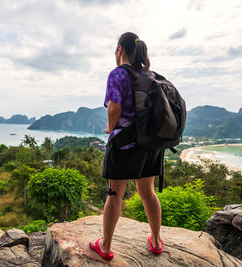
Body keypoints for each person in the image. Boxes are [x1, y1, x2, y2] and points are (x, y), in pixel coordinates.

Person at [88, 32, 164, 261]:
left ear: (119, 50)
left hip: (124, 145)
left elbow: (114, 108)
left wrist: (111, 127)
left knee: (115, 193)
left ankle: (106, 246)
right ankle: (157, 241)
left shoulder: (118, 74)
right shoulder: (150, 75)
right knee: (147, 193)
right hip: (150, 144)